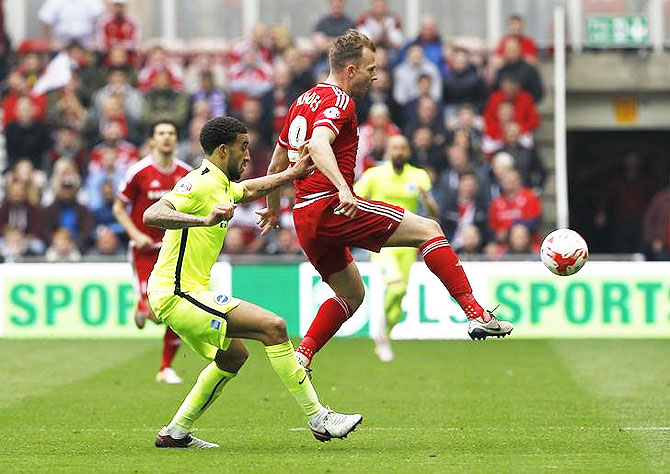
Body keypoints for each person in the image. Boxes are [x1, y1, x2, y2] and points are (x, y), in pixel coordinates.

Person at [261, 30, 512, 371]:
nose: (375, 75)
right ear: (350, 70)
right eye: (369, 68)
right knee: (429, 229)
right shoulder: (339, 100)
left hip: (305, 216)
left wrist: (274, 206)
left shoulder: (302, 100)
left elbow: (278, 161)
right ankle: (476, 313)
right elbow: (319, 144)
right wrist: (344, 189)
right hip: (330, 204)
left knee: (352, 295)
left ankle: (302, 355)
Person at [143, 116, 362, 448]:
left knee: (233, 356)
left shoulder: (220, 182)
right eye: (243, 148)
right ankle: (319, 418)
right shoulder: (199, 183)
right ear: (222, 150)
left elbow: (249, 189)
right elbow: (153, 214)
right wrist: (202, 219)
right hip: (176, 292)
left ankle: (176, 432)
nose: (248, 155)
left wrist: (290, 174)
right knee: (273, 327)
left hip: (188, 292)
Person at [112, 121, 192, 384]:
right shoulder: (139, 172)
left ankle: (165, 367)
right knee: (158, 315)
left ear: (176, 139)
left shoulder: (187, 174)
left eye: (171, 133)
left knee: (178, 308)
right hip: (145, 251)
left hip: (174, 251)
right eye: (161, 133)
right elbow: (119, 208)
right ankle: (143, 305)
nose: (167, 137)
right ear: (152, 141)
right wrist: (136, 235)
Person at [354, 135, 437, 362]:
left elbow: (433, 213)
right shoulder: (374, 175)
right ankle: (381, 334)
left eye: (402, 147)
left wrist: (426, 198)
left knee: (400, 295)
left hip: (409, 244)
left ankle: (384, 335)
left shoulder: (418, 176)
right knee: (397, 286)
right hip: (382, 243)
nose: (399, 151)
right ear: (388, 151)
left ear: (408, 151)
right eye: (395, 148)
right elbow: (354, 199)